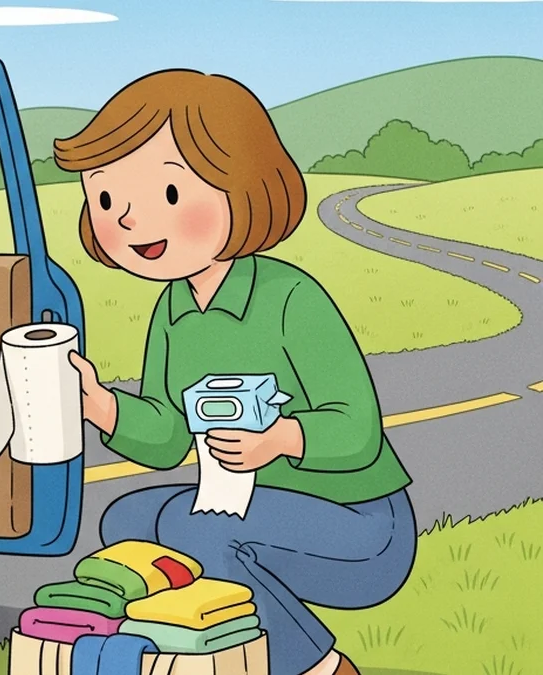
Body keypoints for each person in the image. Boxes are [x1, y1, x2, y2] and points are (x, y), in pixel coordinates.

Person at [56, 69, 416, 675]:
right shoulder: (174, 310)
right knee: (127, 522)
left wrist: (281, 439)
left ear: (244, 185)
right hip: (251, 508)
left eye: (170, 194)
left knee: (196, 532)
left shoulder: (290, 297)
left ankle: (317, 667)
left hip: (362, 527)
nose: (128, 222)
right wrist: (104, 407)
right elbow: (168, 437)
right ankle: (197, 645)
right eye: (108, 201)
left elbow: (357, 429)